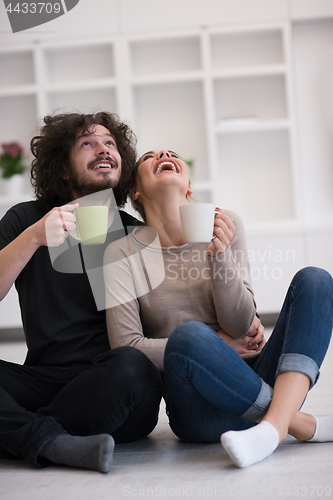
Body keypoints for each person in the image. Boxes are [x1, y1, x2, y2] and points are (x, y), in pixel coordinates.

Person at [104, 148, 333, 468]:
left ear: (189, 186)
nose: (163, 154)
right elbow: (126, 346)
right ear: (135, 192)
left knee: (316, 280)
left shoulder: (225, 223)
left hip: (260, 377)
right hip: (197, 408)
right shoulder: (120, 254)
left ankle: (273, 428)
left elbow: (241, 324)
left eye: (171, 153)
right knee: (189, 336)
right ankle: (297, 423)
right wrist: (220, 345)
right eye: (149, 157)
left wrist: (218, 256)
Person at [0, 113, 163, 474]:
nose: (103, 149)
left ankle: (22, 433)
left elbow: (163, 322)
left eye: (110, 144)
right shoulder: (27, 219)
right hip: (46, 383)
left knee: (134, 366)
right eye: (87, 143)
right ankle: (54, 442)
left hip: (116, 384)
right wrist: (33, 238)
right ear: (62, 168)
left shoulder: (136, 233)